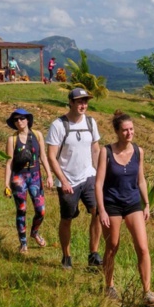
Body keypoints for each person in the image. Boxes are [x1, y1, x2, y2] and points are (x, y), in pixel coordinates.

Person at [95, 111, 154, 307]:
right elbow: (98, 184)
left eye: (131, 129)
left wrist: (146, 203)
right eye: (125, 130)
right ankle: (109, 285)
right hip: (111, 203)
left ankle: (147, 292)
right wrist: (102, 210)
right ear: (116, 131)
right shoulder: (106, 152)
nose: (129, 133)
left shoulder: (139, 152)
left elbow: (140, 179)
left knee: (142, 246)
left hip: (132, 202)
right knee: (112, 246)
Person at [46, 88, 103, 270]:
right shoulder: (59, 125)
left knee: (98, 212)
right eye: (79, 101)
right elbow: (51, 156)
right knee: (67, 218)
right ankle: (66, 256)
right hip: (68, 179)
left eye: (85, 101)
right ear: (70, 102)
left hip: (88, 176)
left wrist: (100, 174)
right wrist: (63, 181)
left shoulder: (91, 122)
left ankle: (93, 254)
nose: (83, 105)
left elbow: (95, 149)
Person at [4, 109, 54, 253]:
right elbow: (9, 163)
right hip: (19, 178)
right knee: (21, 210)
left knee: (41, 210)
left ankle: (34, 232)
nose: (19, 121)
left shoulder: (37, 135)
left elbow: (43, 157)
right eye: (16, 120)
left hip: (35, 176)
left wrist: (49, 175)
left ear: (27, 120)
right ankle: (23, 243)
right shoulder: (12, 139)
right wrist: (6, 184)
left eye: (21, 118)